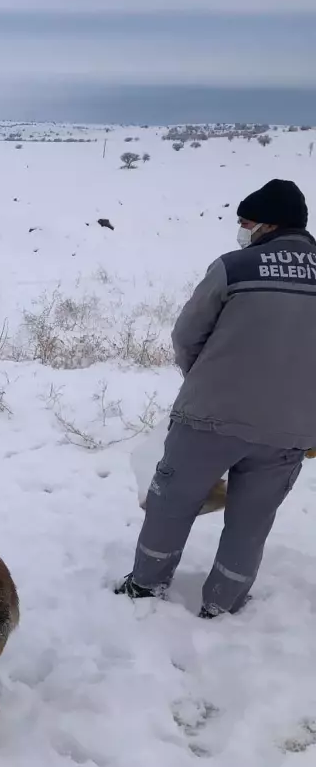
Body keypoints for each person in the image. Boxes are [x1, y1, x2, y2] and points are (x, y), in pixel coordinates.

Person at [115, 179, 315, 617]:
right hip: (289, 431)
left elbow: (187, 335)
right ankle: (222, 604)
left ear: (268, 224)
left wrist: (201, 378)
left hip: (209, 417)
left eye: (245, 221)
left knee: (171, 503)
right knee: (252, 522)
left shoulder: (234, 267)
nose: (242, 229)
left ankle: (146, 588)